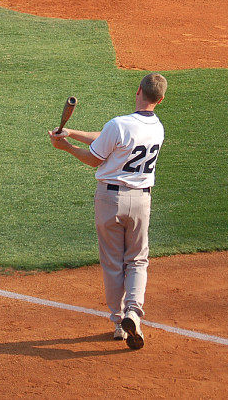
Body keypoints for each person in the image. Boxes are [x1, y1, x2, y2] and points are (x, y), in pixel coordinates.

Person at [48, 73, 167, 350]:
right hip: (140, 202)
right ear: (160, 99)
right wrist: (71, 132)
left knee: (113, 263)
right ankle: (133, 314)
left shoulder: (119, 124)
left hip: (109, 200)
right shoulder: (157, 128)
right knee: (136, 260)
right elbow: (105, 138)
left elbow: (94, 157)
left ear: (138, 90)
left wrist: (65, 146)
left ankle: (118, 324)